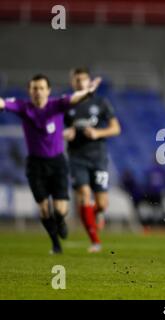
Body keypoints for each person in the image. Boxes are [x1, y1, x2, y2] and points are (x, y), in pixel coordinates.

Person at [0, 74, 101, 254]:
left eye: (41, 88)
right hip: (35, 164)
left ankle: (60, 220)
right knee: (43, 207)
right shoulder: (24, 107)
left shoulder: (57, 105)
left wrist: (88, 92)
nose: (37, 92)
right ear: (29, 91)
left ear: (48, 91)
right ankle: (55, 243)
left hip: (57, 162)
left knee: (60, 209)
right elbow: (3, 103)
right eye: (34, 88)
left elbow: (75, 98)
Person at [63, 68, 121, 253]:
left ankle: (96, 214)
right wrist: (66, 133)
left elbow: (115, 128)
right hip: (76, 157)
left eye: (83, 79)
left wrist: (97, 132)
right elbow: (56, 128)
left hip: (98, 158)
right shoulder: (67, 104)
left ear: (88, 82)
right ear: (73, 83)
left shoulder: (100, 102)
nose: (80, 83)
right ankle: (95, 241)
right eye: (77, 80)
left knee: (102, 203)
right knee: (84, 194)